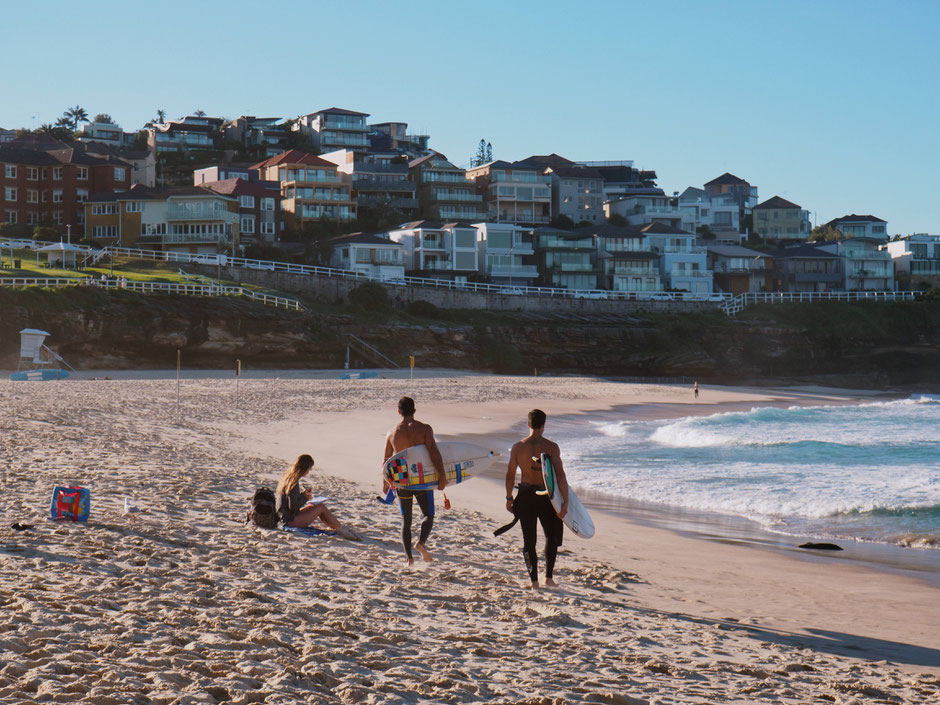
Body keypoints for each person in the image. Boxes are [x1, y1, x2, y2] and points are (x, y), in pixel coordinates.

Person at [505, 409, 567, 589]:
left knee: (528, 540)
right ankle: (548, 578)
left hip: (524, 496)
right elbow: (561, 476)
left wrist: (509, 497)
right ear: (543, 425)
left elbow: (510, 475)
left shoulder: (518, 447)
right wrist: (565, 502)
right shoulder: (552, 447)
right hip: (546, 497)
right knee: (551, 536)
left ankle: (534, 583)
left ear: (528, 424)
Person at [383, 396, 447, 565]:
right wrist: (442, 475)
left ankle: (409, 559)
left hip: (401, 480)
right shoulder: (424, 429)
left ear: (399, 412)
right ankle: (421, 543)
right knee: (428, 515)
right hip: (422, 478)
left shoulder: (391, 433)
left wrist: (386, 483)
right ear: (414, 411)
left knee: (406, 520)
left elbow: (386, 461)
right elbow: (434, 453)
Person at [276, 454, 360, 540]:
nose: (308, 472)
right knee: (321, 507)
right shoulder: (293, 483)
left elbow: (290, 502)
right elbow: (293, 506)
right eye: (309, 469)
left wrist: (303, 495)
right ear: (304, 468)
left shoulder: (287, 477)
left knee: (316, 506)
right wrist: (305, 497)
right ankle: (341, 529)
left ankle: (338, 528)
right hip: (288, 520)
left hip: (284, 517)